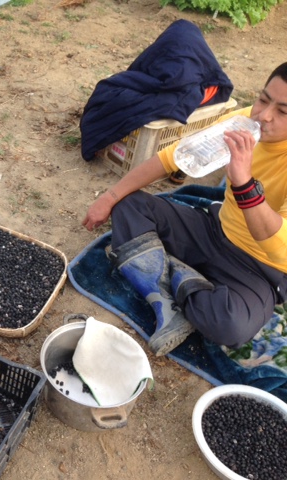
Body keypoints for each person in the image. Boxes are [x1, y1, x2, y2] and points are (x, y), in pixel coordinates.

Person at [82, 62, 287, 357]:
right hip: (214, 229)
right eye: (263, 100)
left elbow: (277, 246)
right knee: (128, 205)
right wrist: (110, 196)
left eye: (283, 112)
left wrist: (244, 184)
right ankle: (173, 291)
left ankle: (173, 277)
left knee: (230, 326)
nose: (264, 115)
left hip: (259, 268)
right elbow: (173, 157)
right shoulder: (243, 122)